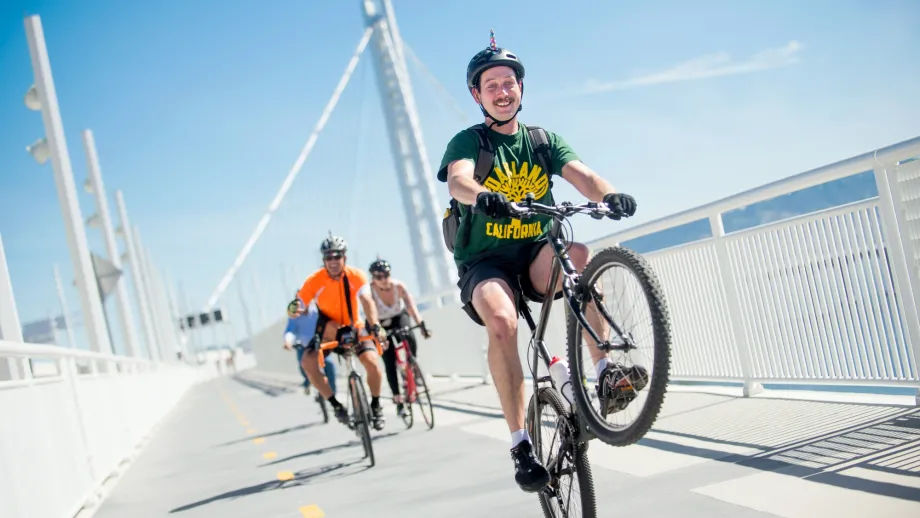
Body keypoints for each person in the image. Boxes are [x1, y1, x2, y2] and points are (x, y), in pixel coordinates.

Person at [436, 34, 647, 493]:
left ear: (520, 88)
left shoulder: (541, 140)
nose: (502, 91)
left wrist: (610, 194)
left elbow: (583, 176)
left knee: (579, 257)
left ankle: (606, 372)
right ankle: (520, 444)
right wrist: (484, 196)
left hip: (535, 253)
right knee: (503, 321)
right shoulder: (469, 141)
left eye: (508, 82)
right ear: (477, 95)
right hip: (485, 262)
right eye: (491, 85)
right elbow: (458, 182)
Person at [289, 234, 388, 431]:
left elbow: (367, 301)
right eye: (328, 257)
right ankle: (336, 405)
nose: (333, 261)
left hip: (355, 327)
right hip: (329, 332)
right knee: (307, 362)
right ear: (323, 260)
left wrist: (375, 325)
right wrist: (295, 308)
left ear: (345, 257)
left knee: (372, 363)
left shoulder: (356, 275)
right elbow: (300, 303)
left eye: (337, 256)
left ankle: (376, 406)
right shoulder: (314, 281)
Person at [367, 258, 432, 417]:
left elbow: (411, 307)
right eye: (378, 277)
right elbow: (372, 315)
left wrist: (421, 323)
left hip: (398, 316)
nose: (383, 279)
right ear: (373, 279)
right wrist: (378, 333)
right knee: (388, 360)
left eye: (385, 275)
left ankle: (411, 366)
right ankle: (398, 399)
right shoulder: (370, 292)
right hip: (379, 322)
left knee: (409, 334)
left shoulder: (399, 286)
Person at [283, 298, 337, 397]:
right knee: (303, 364)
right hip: (304, 346)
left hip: (319, 345)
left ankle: (332, 392)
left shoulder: (316, 312)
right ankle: (307, 381)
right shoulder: (294, 316)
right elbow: (290, 331)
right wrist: (288, 342)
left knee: (329, 365)